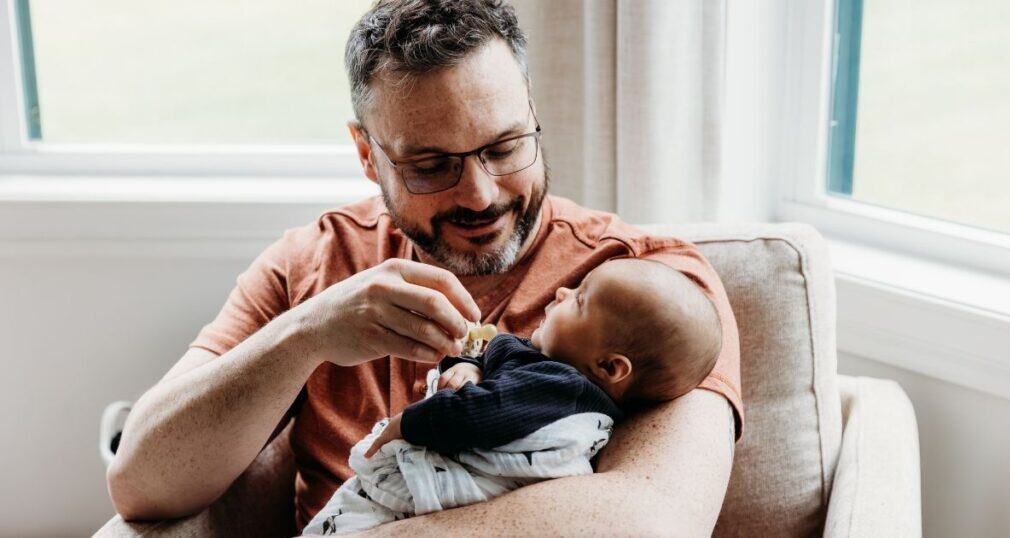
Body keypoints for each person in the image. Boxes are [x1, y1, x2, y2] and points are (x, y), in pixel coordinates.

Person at [106, 1, 744, 535]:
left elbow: (654, 521)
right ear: (367, 154)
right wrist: (306, 335)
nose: (480, 194)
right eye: (431, 165)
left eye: (504, 146)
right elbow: (142, 484)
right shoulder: (315, 264)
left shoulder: (649, 286)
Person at [305, 258, 723, 535]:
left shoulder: (560, 390)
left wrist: (407, 424)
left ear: (609, 367)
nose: (561, 293)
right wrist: (468, 365)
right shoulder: (546, 375)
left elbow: (479, 415)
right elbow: (494, 364)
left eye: (579, 300)